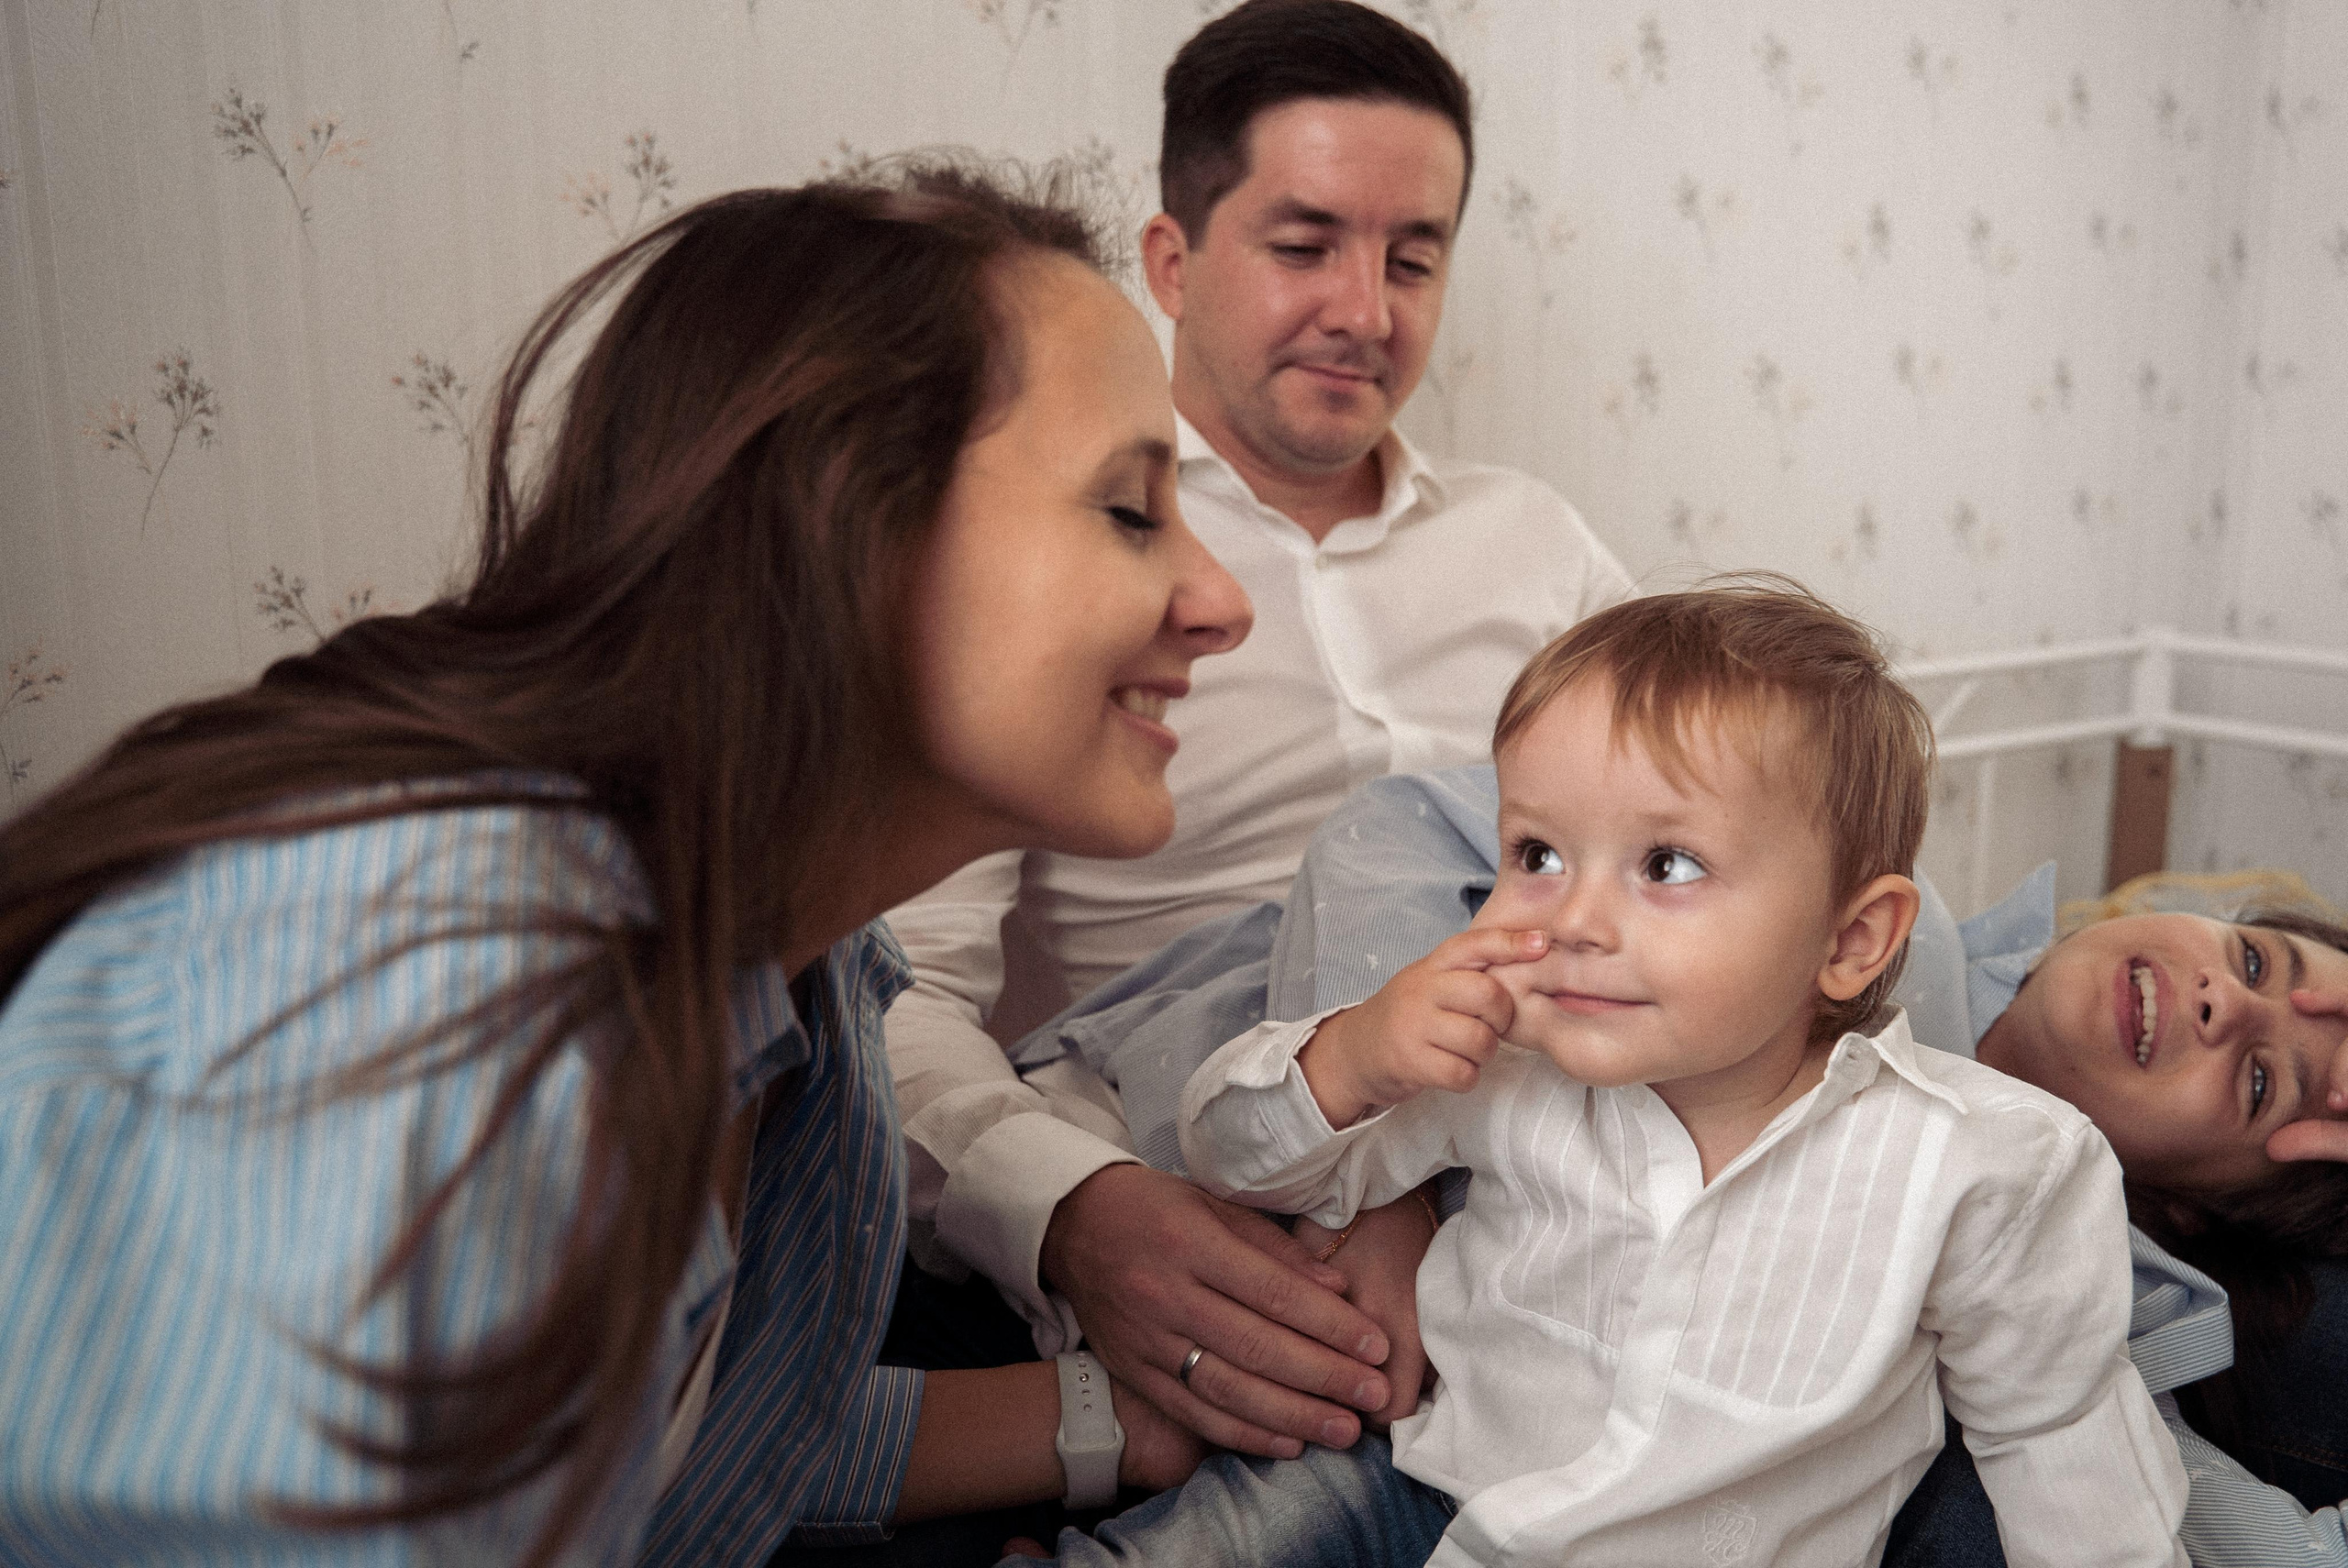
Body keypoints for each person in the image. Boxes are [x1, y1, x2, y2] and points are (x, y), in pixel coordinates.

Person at [0, 166, 1252, 1565]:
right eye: (1132, 513)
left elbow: (710, 1427)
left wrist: (1128, 1413)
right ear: (850, 520)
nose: (1222, 602)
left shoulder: (809, 993)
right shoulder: (413, 1004)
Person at [1008, 581, 2190, 1566]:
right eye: (1538, 852)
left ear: (1849, 940)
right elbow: (1234, 1160)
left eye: (1665, 863)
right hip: (1417, 1497)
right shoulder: (1501, 1062)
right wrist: (1352, 1056)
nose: (1572, 914)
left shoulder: (1988, 1164)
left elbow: (2061, 1442)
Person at [881, 0, 1633, 1516]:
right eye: (1305, 245)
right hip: (1202, 1140)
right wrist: (1077, 1210)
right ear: (1172, 262)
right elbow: (892, 998)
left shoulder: (1540, 548)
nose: (1367, 306)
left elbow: (1717, 830)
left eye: (1413, 256)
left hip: (1539, 1126)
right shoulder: (1054, 556)